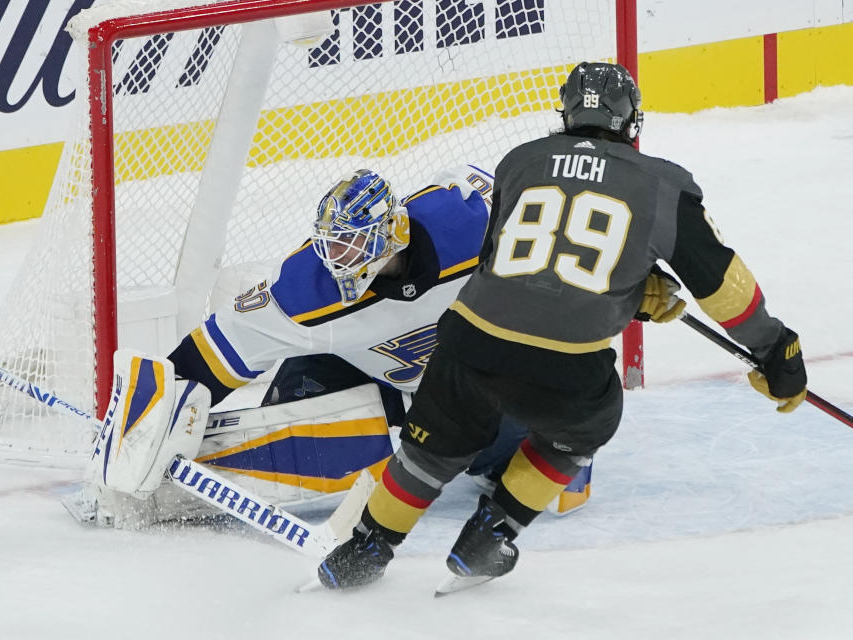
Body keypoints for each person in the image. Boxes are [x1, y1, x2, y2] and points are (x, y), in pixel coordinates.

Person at [314, 61, 808, 590]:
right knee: (586, 428)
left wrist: (632, 293)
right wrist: (776, 350)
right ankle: (490, 533)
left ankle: (365, 549)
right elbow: (722, 287)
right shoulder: (664, 184)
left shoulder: (519, 162)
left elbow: (512, 264)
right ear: (631, 121)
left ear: (565, 112)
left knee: (430, 449)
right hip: (564, 364)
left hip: (468, 338)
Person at [80, 164, 560, 527]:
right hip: (366, 370)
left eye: (350, 245)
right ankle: (180, 490)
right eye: (332, 244)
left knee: (540, 458)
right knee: (295, 407)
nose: (336, 259)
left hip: (466, 382)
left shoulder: (472, 227)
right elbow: (216, 351)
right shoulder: (308, 288)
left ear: (390, 234)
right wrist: (150, 421)